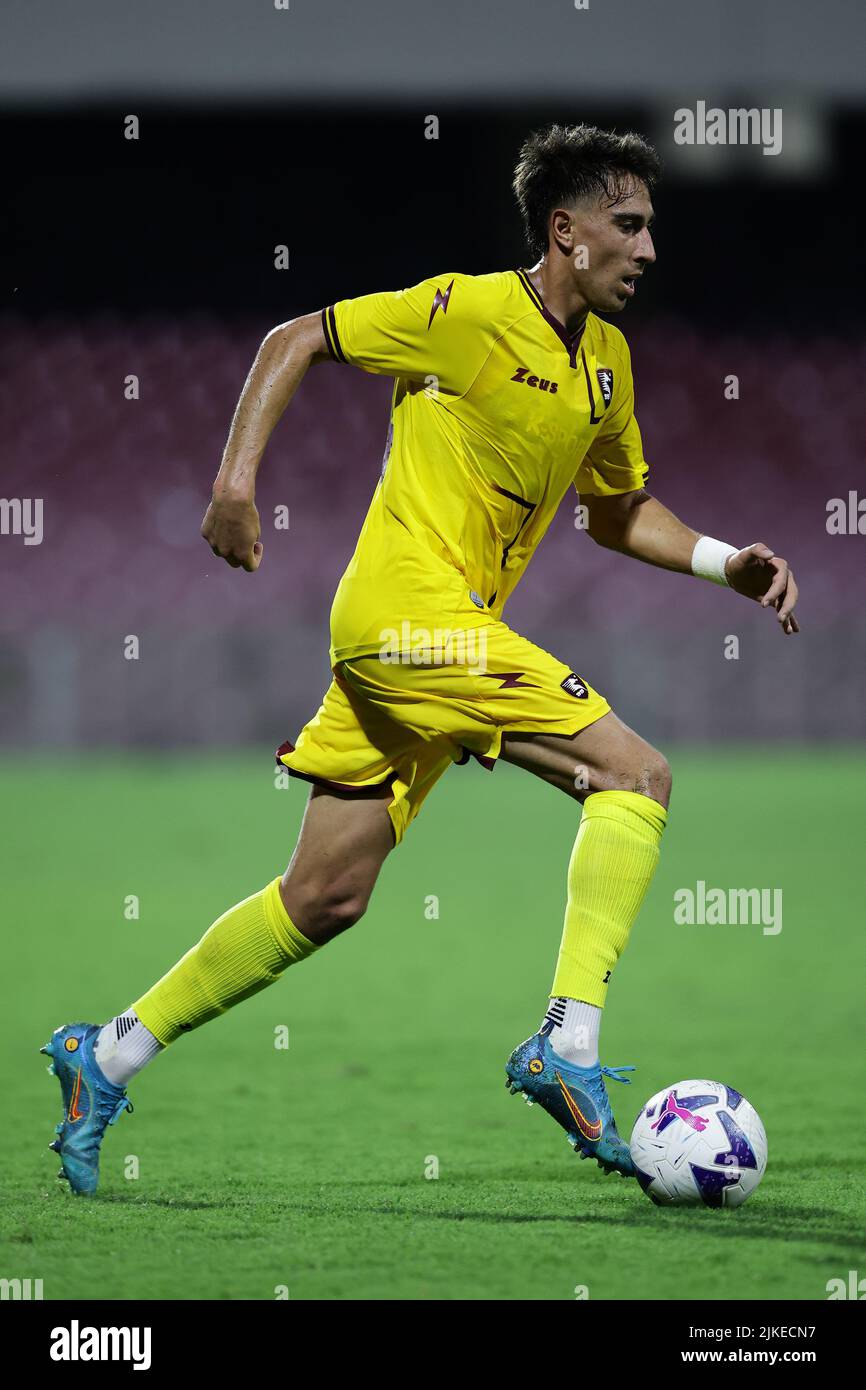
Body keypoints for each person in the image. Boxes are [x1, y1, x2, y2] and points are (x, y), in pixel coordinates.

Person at [43, 123, 799, 1194]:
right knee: (634, 773)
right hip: (408, 619)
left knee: (324, 897)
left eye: (649, 227)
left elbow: (615, 511)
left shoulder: (605, 367)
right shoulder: (468, 312)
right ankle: (566, 1046)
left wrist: (727, 562)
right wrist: (231, 486)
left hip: (421, 651)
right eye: (626, 226)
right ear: (564, 230)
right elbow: (290, 338)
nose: (646, 248)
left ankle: (106, 1052)